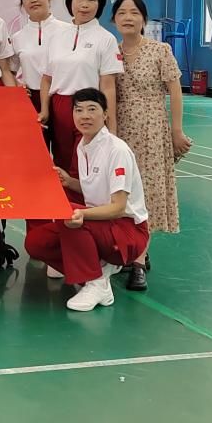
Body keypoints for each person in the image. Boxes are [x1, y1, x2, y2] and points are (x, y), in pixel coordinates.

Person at [24, 87, 149, 312]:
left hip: (127, 230)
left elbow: (119, 207)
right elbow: (96, 188)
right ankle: (93, 268)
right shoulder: (83, 146)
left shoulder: (117, 150)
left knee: (70, 213)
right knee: (36, 243)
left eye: (92, 109)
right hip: (101, 224)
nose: (85, 116)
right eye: (79, 110)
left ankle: (97, 284)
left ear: (105, 114)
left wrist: (81, 213)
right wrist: (69, 181)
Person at [112, 0, 192, 291]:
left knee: (148, 193)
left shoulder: (160, 50)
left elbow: (175, 91)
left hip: (152, 131)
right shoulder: (111, 51)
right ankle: (133, 250)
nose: (128, 17)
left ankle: (137, 262)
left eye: (134, 12)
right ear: (114, 20)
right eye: (122, 12)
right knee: (123, 192)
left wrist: (176, 131)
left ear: (144, 19)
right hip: (121, 131)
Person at [39, 0, 123, 178]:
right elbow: (47, 79)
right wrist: (45, 110)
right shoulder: (56, 36)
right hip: (58, 108)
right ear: (70, 1)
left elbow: (108, 86)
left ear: (100, 5)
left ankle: (83, 200)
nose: (85, 5)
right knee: (60, 165)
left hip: (89, 108)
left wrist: (111, 127)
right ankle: (64, 200)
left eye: (92, 0)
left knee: (84, 167)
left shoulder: (106, 39)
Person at [10, 0, 68, 117]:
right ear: (22, 4)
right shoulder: (17, 37)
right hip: (31, 100)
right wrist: (17, 85)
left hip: (61, 97)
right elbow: (10, 71)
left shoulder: (68, 31)